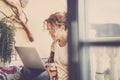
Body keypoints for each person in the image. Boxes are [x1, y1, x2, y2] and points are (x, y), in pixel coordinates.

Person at [43, 11, 68, 80]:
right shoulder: (55, 44)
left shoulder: (72, 44)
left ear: (62, 28)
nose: (50, 33)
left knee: (43, 76)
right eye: (49, 30)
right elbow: (51, 61)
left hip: (65, 75)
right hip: (55, 71)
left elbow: (76, 70)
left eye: (53, 30)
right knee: (26, 70)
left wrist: (57, 66)